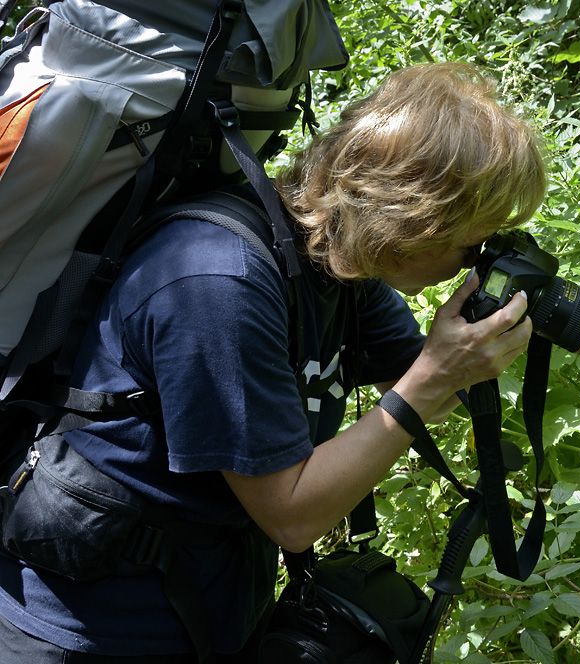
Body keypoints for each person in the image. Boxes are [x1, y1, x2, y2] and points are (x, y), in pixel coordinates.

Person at [0, 61, 547, 662]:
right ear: (412, 220)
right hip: (86, 626)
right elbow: (293, 515)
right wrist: (432, 378)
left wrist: (492, 327)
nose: (476, 257)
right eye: (474, 240)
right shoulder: (217, 280)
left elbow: (434, 391)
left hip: (217, 605)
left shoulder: (336, 261)